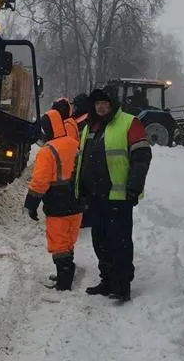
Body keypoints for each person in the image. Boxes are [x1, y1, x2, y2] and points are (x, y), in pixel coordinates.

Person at [75, 87, 151, 301]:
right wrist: (79, 189)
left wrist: (133, 188)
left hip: (119, 197)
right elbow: (82, 160)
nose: (101, 106)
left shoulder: (129, 122)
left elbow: (142, 157)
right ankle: (107, 280)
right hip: (95, 197)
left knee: (119, 242)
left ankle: (122, 285)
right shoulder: (91, 126)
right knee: (100, 241)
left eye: (105, 102)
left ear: (113, 104)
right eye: (97, 102)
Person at [24, 108, 83, 290]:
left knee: (58, 243)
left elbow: (40, 182)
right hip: (77, 200)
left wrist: (31, 205)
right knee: (69, 239)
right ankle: (66, 274)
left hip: (58, 203)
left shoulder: (47, 151)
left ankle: (64, 283)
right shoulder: (74, 144)